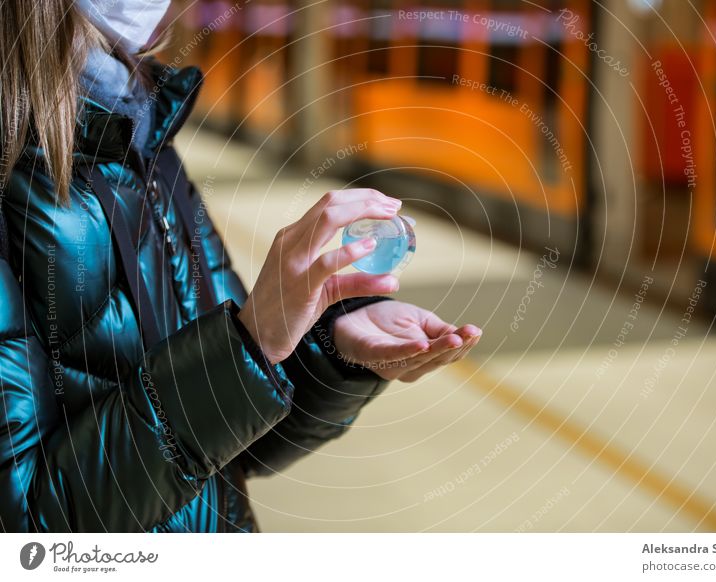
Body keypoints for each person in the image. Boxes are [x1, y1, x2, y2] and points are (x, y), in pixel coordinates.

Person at [0, 0, 481, 532]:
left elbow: (232, 446)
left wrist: (327, 345)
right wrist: (248, 344)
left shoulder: (141, 129)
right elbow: (30, 535)